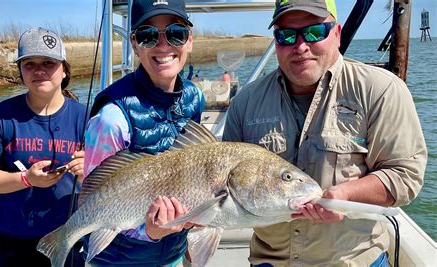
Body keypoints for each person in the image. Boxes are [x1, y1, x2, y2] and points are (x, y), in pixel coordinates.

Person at [223, 0, 427, 266]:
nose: (300, 46)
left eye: (314, 32)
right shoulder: (245, 102)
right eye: (285, 35)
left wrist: (345, 196)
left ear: (337, 33)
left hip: (355, 260)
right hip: (269, 260)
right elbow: (223, 183)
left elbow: (405, 175)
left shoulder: (382, 90)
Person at [83, 0, 204, 266]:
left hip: (173, 254)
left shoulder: (194, 98)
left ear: (190, 40)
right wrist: (150, 232)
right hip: (120, 260)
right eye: (149, 36)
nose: (163, 45)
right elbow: (94, 205)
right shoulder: (111, 120)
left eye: (176, 33)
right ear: (135, 44)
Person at [0, 27, 87, 266]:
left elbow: (109, 178)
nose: (39, 70)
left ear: (64, 70)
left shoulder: (88, 118)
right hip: (13, 236)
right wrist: (26, 179)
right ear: (21, 72)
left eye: (48, 62)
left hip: (70, 232)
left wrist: (89, 172)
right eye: (29, 63)